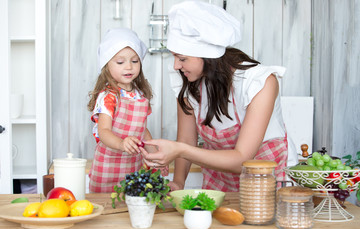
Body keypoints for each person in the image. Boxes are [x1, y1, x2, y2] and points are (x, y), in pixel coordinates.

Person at [140, 1, 298, 192]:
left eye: (182, 58)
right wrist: (179, 182)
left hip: (267, 180)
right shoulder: (187, 79)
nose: (175, 66)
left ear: (207, 56)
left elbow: (242, 160)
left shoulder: (260, 82)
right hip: (221, 180)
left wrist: (179, 150)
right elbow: (187, 140)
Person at [87, 28, 167, 193]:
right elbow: (103, 131)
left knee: (129, 204)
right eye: (120, 62)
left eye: (135, 61)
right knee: (105, 207)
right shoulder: (109, 96)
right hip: (107, 165)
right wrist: (121, 144)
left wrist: (155, 159)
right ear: (106, 65)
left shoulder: (140, 95)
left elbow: (142, 131)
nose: (129, 66)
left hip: (132, 165)